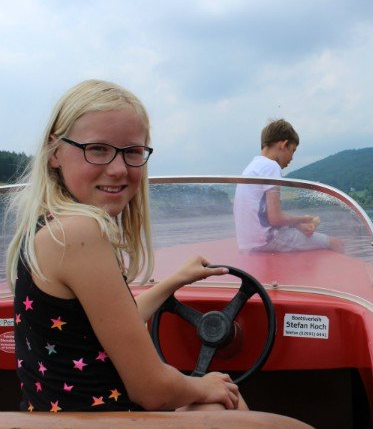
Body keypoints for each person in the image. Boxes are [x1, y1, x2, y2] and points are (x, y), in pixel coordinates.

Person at [6, 80, 247, 412]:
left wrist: (174, 281)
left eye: (132, 152)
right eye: (98, 149)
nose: (119, 169)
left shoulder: (50, 224)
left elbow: (111, 323)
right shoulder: (80, 232)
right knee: (229, 401)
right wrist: (202, 384)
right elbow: (153, 391)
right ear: (54, 153)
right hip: (100, 421)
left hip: (57, 418)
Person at [233, 119, 343, 253]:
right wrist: (304, 219)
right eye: (293, 150)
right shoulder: (271, 166)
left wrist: (297, 225)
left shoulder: (251, 167)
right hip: (267, 240)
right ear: (284, 145)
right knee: (335, 243)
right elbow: (275, 218)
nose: (292, 158)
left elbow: (267, 217)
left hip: (249, 244)